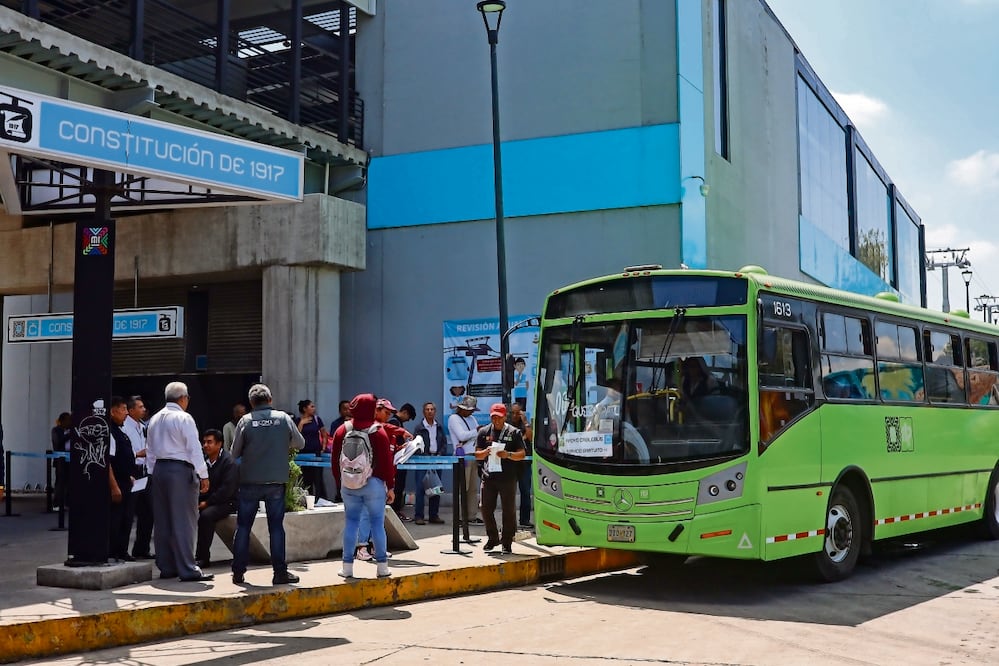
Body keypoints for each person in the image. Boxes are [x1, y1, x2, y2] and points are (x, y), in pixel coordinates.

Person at [230, 383, 305, 585]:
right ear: (270, 400)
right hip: (275, 481)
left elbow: (234, 453)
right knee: (276, 528)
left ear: (251, 403)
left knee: (243, 527)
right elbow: (300, 443)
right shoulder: (283, 418)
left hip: (250, 481)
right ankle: (279, 573)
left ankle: (238, 572)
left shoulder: (245, 421)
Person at [145, 381, 213, 582]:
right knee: (184, 521)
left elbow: (149, 450)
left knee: (163, 521)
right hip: (179, 470)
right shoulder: (184, 418)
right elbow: (194, 448)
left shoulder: (154, 419)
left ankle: (167, 566)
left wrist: (151, 473)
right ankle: (188, 568)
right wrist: (203, 474)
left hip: (159, 470)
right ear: (183, 398)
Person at [329, 393, 394, 579]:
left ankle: (347, 568)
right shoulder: (378, 432)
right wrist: (390, 486)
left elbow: (334, 461)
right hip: (373, 484)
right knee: (377, 524)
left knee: (351, 523)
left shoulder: (342, 430)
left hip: (349, 484)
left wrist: (340, 482)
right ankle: (382, 568)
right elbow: (386, 463)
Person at [474, 403, 527, 554]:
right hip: (489, 476)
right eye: (493, 417)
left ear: (504, 417)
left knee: (508, 510)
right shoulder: (484, 432)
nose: (496, 420)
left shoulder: (514, 432)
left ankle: (507, 541)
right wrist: (485, 452)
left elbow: (522, 454)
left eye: (499, 417)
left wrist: (508, 455)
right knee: (484, 507)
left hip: (507, 477)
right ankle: (493, 537)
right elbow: (477, 453)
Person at [195, 429, 239, 568]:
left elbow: (226, 491)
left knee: (206, 516)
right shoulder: (203, 461)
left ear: (219, 444)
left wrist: (207, 503)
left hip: (228, 502)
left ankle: (202, 558)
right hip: (209, 500)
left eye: (209, 442)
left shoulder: (229, 463)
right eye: (204, 442)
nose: (205, 445)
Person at [124, 396, 154, 560]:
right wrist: (137, 454)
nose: (144, 410)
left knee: (147, 512)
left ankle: (142, 548)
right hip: (132, 470)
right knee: (129, 512)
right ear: (131, 410)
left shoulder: (142, 426)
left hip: (144, 471)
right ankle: (121, 550)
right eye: (140, 407)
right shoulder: (125, 427)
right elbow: (125, 452)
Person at [107, 396, 135, 562]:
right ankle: (112, 552)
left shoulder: (121, 432)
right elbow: (108, 462)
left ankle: (122, 551)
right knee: (116, 519)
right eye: (123, 409)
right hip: (117, 483)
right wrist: (114, 486)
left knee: (127, 518)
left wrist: (128, 475)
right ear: (113, 411)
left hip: (126, 480)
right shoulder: (110, 433)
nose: (126, 413)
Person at [412, 401, 448, 525]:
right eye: (427, 409)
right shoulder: (419, 427)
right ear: (424, 412)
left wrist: (440, 454)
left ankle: (434, 515)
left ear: (435, 412)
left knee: (436, 489)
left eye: (432, 409)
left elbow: (444, 443)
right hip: (423, 460)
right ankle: (419, 516)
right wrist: (425, 456)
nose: (430, 411)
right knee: (420, 488)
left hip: (436, 460)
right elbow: (416, 445)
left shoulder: (439, 427)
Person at [448, 395, 482, 525]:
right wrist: (476, 431)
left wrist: (477, 432)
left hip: (474, 455)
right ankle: (460, 516)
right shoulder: (453, 418)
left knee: (473, 488)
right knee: (462, 487)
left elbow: (477, 434)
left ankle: (471, 516)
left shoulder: (472, 418)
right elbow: (462, 436)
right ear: (462, 409)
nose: (472, 412)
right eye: (470, 410)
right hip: (462, 456)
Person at [386, 401, 416, 520]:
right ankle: (394, 513)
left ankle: (396, 512)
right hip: (396, 462)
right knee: (397, 487)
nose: (407, 421)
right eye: (408, 418)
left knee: (399, 487)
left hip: (398, 460)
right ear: (405, 412)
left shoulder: (397, 423)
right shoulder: (394, 423)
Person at [295, 399, 329, 500]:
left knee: (318, 478)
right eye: (311, 406)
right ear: (305, 408)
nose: (314, 408)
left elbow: (324, 434)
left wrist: (323, 447)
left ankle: (321, 499)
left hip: (316, 452)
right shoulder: (297, 420)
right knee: (306, 478)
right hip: (303, 453)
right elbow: (296, 436)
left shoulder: (317, 419)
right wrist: (301, 424)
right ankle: (307, 499)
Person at [507, 402, 534, 529]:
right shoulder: (507, 425)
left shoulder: (525, 424)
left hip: (525, 464)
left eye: (517, 413)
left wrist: (525, 421)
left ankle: (524, 520)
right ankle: (509, 521)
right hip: (510, 463)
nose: (515, 415)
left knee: (525, 492)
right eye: (512, 412)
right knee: (509, 493)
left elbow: (530, 437)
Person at [50, 412, 72, 510]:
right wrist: (69, 435)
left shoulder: (71, 430)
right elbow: (58, 442)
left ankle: (67, 502)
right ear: (62, 421)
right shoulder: (56, 430)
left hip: (70, 459)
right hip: (60, 459)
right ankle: (57, 503)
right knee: (60, 482)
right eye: (68, 420)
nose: (70, 422)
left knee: (69, 482)